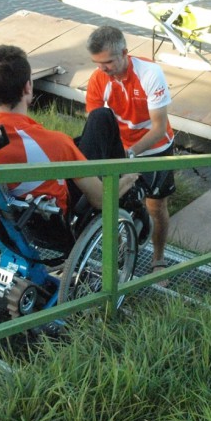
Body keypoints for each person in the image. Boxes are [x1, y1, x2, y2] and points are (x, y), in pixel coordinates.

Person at [0, 44, 143, 243]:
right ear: (27, 87)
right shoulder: (54, 143)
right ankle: (129, 193)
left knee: (86, 137)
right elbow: (100, 199)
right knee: (102, 117)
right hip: (53, 219)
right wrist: (130, 176)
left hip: (12, 217)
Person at [85, 25, 176, 275]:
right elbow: (96, 125)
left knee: (156, 207)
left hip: (155, 146)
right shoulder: (98, 78)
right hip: (122, 147)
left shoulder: (150, 73)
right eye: (97, 63)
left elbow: (158, 128)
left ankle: (158, 260)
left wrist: (131, 155)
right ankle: (120, 251)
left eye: (108, 63)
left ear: (125, 52)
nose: (103, 69)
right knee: (113, 202)